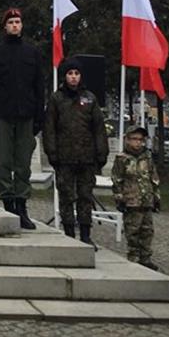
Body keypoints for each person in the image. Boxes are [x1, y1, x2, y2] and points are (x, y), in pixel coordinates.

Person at [0, 8, 45, 229]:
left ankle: (22, 206)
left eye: (18, 21)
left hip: (26, 115)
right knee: (4, 163)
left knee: (23, 164)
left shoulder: (32, 52)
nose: (15, 25)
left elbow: (39, 87)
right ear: (5, 26)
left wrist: (39, 117)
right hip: (3, 116)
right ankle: (8, 205)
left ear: (22, 25)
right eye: (11, 22)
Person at [44, 56, 108, 243]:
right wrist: (52, 153)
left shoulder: (90, 98)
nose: (73, 77)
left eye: (76, 73)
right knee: (66, 196)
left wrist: (101, 153)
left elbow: (99, 128)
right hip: (64, 158)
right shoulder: (56, 99)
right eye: (70, 73)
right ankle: (69, 235)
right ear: (65, 76)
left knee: (85, 196)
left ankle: (86, 235)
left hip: (87, 158)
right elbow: (49, 128)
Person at [111, 125, 161, 269]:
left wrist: (156, 197)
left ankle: (145, 257)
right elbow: (117, 180)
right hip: (131, 200)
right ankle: (134, 256)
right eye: (134, 139)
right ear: (127, 140)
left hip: (146, 199)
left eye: (140, 139)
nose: (138, 142)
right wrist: (119, 198)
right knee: (133, 230)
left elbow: (154, 177)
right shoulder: (122, 159)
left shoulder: (147, 157)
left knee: (147, 230)